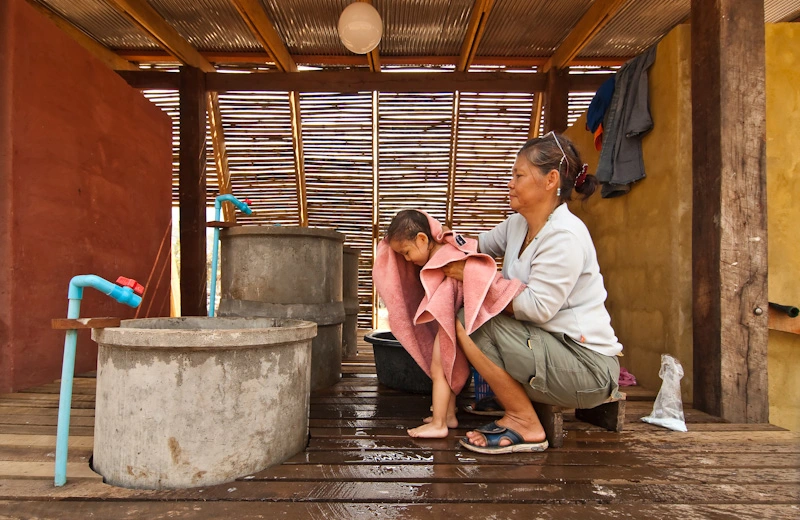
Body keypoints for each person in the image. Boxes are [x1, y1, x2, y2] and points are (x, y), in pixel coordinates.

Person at [442, 131, 623, 454]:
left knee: (471, 319)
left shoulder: (564, 236)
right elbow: (476, 247)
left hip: (587, 367)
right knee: (472, 317)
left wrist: (474, 276)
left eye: (519, 175)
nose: (510, 182)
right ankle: (519, 410)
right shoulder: (518, 225)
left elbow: (537, 308)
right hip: (552, 349)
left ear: (550, 179)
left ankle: (524, 421)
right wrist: (436, 238)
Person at [383, 210, 457, 438]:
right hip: (453, 322)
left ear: (423, 239)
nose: (406, 260)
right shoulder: (444, 252)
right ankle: (449, 415)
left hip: (451, 324)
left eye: (406, 253)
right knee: (449, 368)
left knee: (439, 370)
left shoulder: (443, 259)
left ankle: (438, 424)